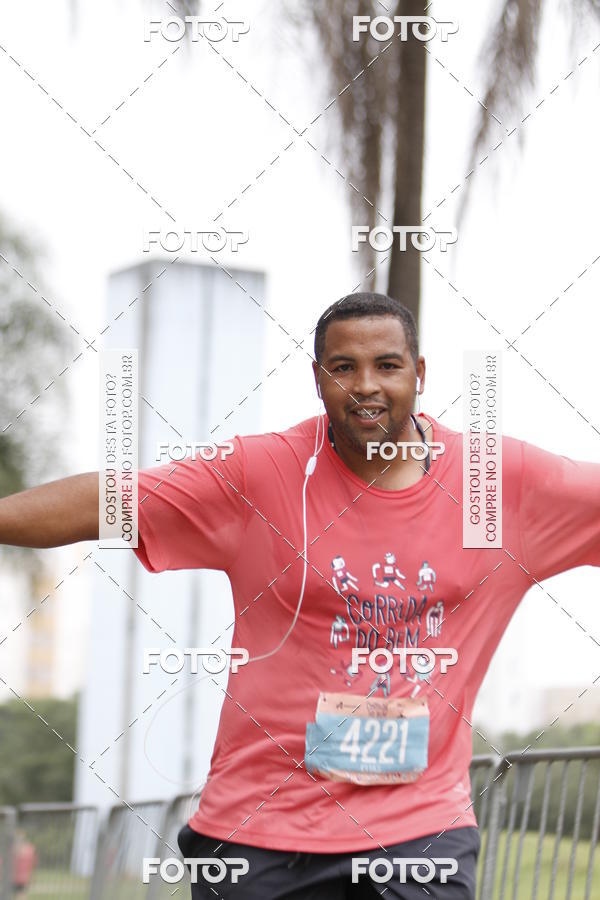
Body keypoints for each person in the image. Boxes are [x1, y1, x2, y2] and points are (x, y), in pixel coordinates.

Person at [1, 292, 599, 899]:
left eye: (388, 365)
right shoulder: (263, 475)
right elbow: (113, 500)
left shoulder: (492, 487)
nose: (366, 385)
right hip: (259, 832)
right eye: (343, 367)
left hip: (420, 831)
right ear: (318, 379)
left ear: (420, 374)